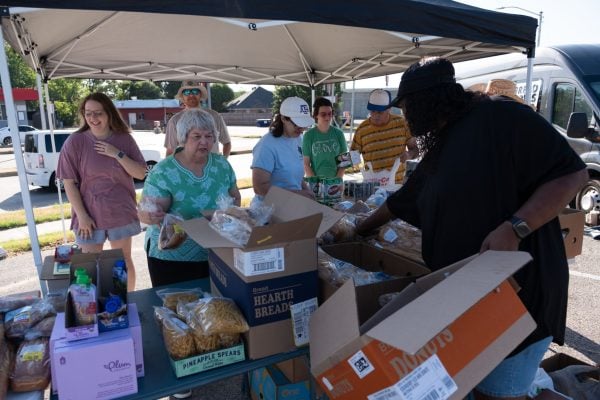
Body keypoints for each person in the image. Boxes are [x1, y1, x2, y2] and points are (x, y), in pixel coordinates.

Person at [356, 57, 588, 400]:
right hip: (471, 299)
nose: (406, 117)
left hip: (520, 294)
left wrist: (516, 227)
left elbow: (572, 175)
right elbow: (403, 199)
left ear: (427, 100)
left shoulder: (502, 117)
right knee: (480, 387)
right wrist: (358, 229)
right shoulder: (444, 141)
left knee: (503, 393)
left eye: (407, 108)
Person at [138, 108, 240, 287]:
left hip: (216, 253)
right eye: (197, 136)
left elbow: (235, 198)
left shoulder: (222, 164)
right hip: (173, 257)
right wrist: (149, 215)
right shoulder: (163, 171)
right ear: (183, 137)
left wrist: (230, 216)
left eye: (209, 136)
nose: (204, 142)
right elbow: (151, 212)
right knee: (175, 309)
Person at [57, 92, 147, 292]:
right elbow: (69, 183)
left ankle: (127, 303)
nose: (93, 118)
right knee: (89, 265)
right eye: (88, 113)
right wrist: (82, 215)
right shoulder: (75, 141)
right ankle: (91, 308)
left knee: (122, 262)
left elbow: (140, 173)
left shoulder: (124, 140)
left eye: (98, 113)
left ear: (109, 114)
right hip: (88, 215)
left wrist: (116, 154)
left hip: (120, 212)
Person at [252, 96, 315, 199]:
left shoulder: (299, 139)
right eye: (297, 124)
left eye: (303, 124)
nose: (301, 129)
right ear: (283, 118)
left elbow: (295, 178)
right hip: (270, 209)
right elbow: (259, 187)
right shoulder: (266, 145)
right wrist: (296, 194)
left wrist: (306, 191)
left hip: (293, 204)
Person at [350, 89, 418, 184]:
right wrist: (357, 165)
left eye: (380, 112)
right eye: (372, 111)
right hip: (373, 187)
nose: (375, 115)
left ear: (389, 109)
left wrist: (409, 155)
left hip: (397, 186)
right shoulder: (362, 129)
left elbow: (415, 150)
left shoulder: (402, 124)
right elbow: (354, 155)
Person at [164, 80, 232, 158]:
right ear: (182, 97)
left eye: (195, 91)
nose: (191, 95)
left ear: (200, 95)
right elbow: (170, 150)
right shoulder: (174, 121)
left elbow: (227, 143)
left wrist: (223, 163)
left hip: (212, 168)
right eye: (187, 92)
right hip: (186, 168)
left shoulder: (215, 116)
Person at [302, 97, 347, 178]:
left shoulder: (339, 134)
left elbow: (344, 162)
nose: (327, 117)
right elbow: (306, 164)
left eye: (330, 113)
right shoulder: (308, 135)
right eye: (323, 114)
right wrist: (316, 184)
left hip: (336, 183)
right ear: (316, 115)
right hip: (316, 183)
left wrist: (337, 181)